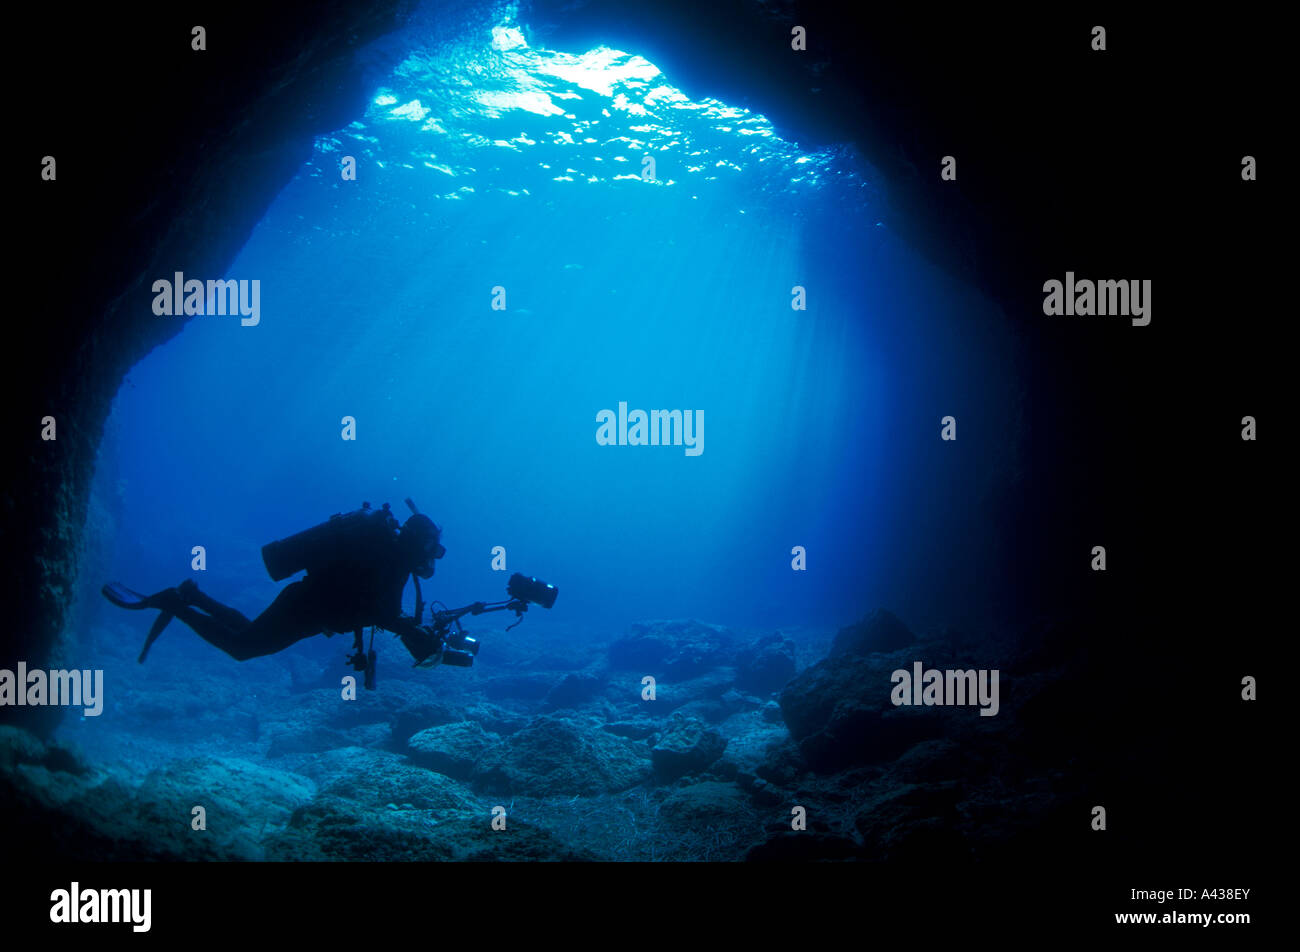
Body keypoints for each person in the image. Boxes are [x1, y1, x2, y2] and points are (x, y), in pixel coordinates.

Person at [102, 506, 445, 665]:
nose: (433, 556)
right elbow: (379, 610)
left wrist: (407, 627)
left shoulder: (390, 555)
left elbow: (376, 606)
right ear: (416, 542)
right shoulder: (390, 558)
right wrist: (408, 630)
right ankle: (176, 603)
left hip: (307, 605)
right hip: (307, 609)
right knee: (243, 649)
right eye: (430, 547)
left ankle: (193, 596)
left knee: (250, 634)